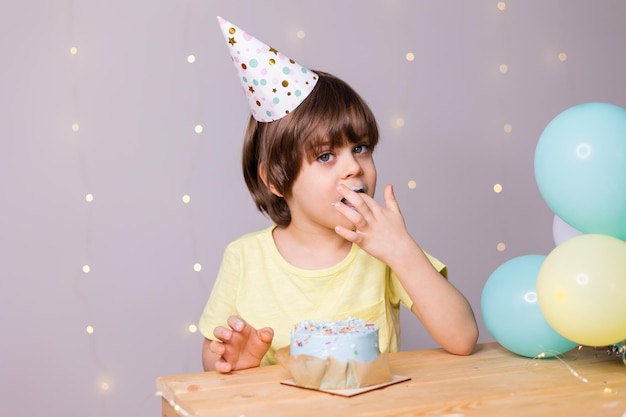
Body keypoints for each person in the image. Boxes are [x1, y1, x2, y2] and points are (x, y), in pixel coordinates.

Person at [199, 17, 478, 373]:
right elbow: (212, 360)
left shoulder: (384, 247)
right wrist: (236, 361)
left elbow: (462, 337)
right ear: (276, 179)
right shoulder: (244, 258)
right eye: (326, 156)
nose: (354, 167)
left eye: (360, 148)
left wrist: (402, 252)